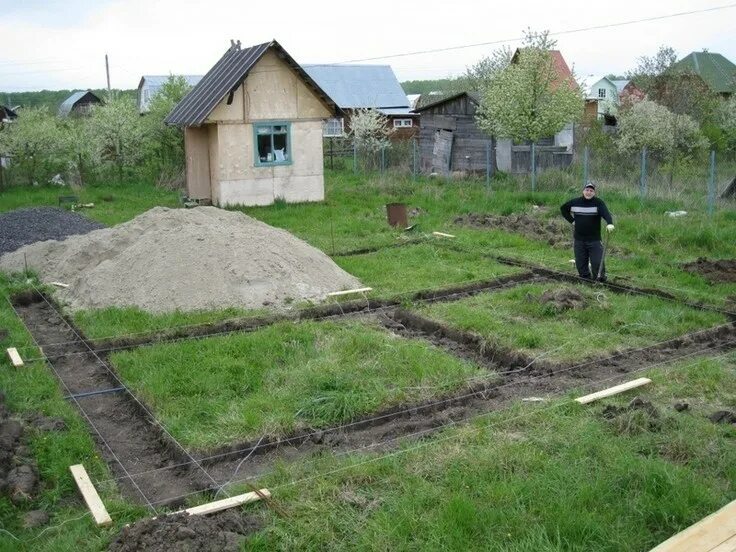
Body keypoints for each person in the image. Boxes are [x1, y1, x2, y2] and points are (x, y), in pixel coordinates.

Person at [560, 181, 614, 281]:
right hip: (579, 239)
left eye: (591, 191)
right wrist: (572, 221)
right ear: (583, 191)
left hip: (594, 240)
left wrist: (609, 223)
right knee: (580, 263)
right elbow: (563, 209)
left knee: (597, 262)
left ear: (594, 193)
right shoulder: (575, 202)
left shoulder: (598, 203)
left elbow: (606, 213)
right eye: (587, 190)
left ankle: (600, 280)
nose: (588, 192)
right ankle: (585, 280)